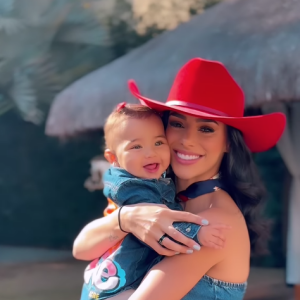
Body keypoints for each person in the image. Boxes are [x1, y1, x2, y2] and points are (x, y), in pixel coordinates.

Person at [73, 58, 286, 300]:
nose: (186, 140)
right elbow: (80, 249)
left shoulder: (214, 222)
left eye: (206, 129)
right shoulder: (156, 196)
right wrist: (126, 218)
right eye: (177, 124)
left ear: (227, 141)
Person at [80, 102, 229, 300]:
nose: (150, 153)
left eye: (159, 143)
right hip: (120, 285)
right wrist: (197, 232)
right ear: (113, 158)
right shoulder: (133, 187)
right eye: (136, 146)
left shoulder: (153, 179)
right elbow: (161, 220)